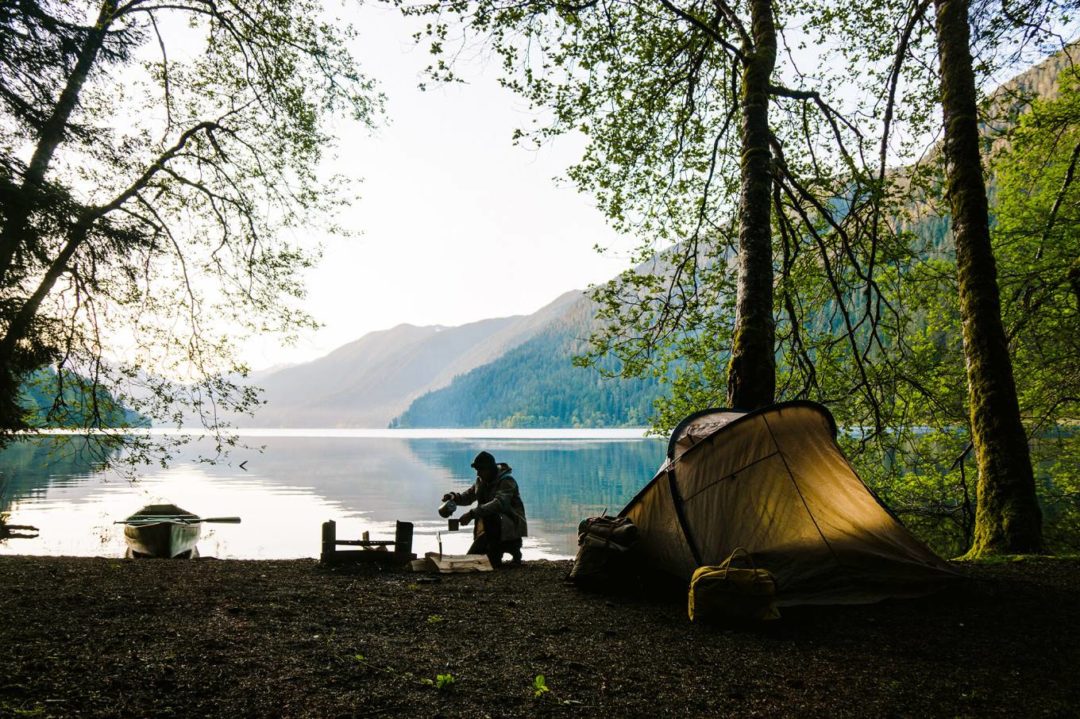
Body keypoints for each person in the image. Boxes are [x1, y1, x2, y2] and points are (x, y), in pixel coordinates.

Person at [442, 451, 527, 567]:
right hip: (490, 527)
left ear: (490, 469)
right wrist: (454, 498)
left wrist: (472, 514)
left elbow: (499, 504)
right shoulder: (481, 481)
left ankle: (500, 553)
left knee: (491, 516)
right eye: (477, 470)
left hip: (510, 524)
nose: (478, 473)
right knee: (471, 556)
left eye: (481, 470)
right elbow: (468, 496)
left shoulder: (506, 481)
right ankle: (490, 550)